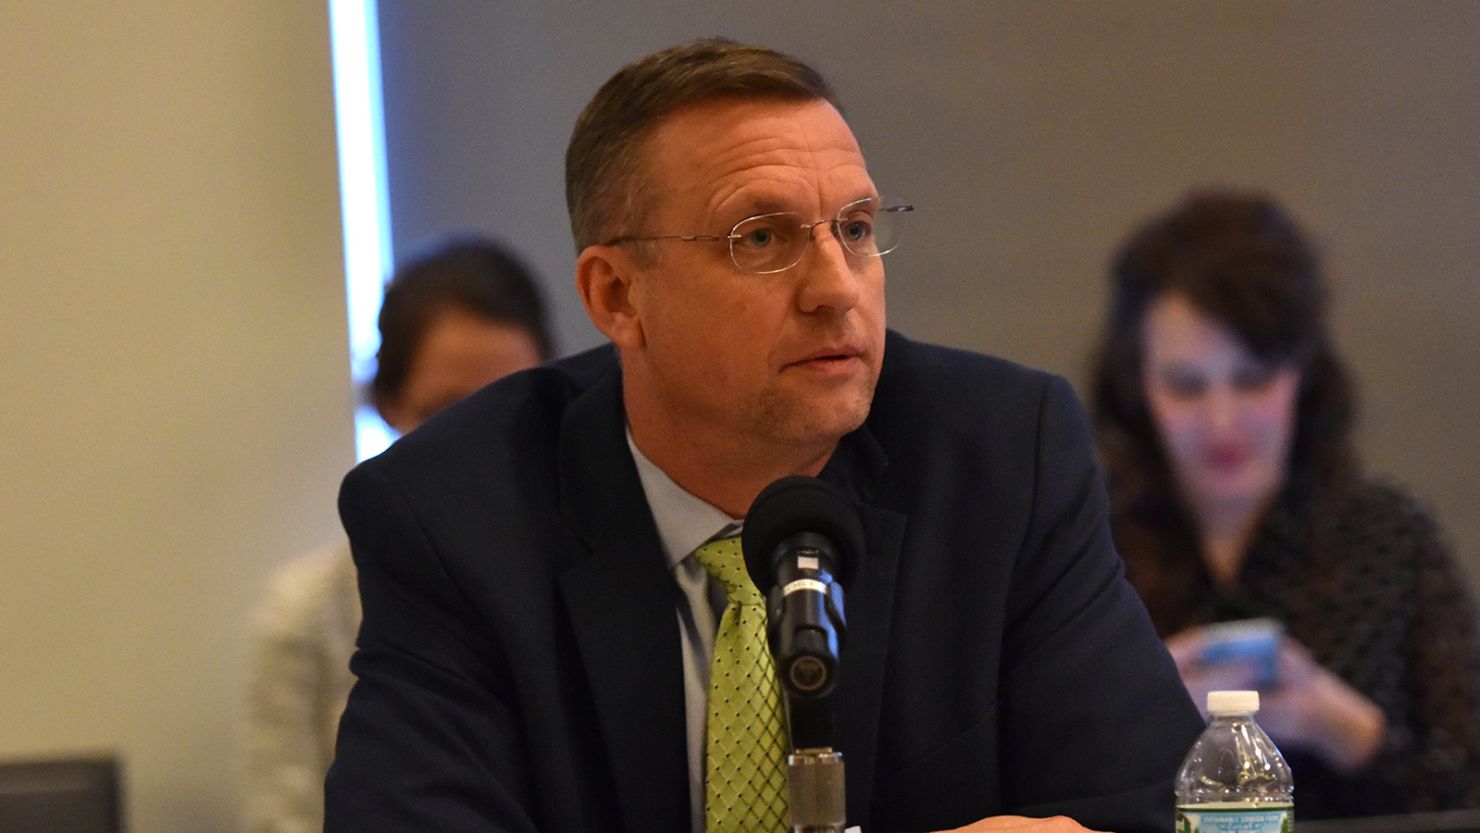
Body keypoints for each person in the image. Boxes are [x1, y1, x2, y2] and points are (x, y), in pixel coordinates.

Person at [325, 38, 1203, 833]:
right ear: (618, 297)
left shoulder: (1003, 455)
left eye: (855, 228)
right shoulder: (453, 513)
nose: (837, 287)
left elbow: (1155, 808)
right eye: (763, 238)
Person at [1090, 189, 1480, 818]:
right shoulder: (1088, 545)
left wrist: (1340, 726)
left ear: (1302, 372)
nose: (1223, 423)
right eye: (1187, 387)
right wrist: (1143, 707)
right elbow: (1030, 793)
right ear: (1138, 387)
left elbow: (1465, 788)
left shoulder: (1392, 539)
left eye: (1253, 380)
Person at [243, 235, 554, 833]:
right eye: (444, 414)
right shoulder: (306, 611)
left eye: (509, 407)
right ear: (388, 404)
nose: (478, 446)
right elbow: (282, 819)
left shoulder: (613, 582)